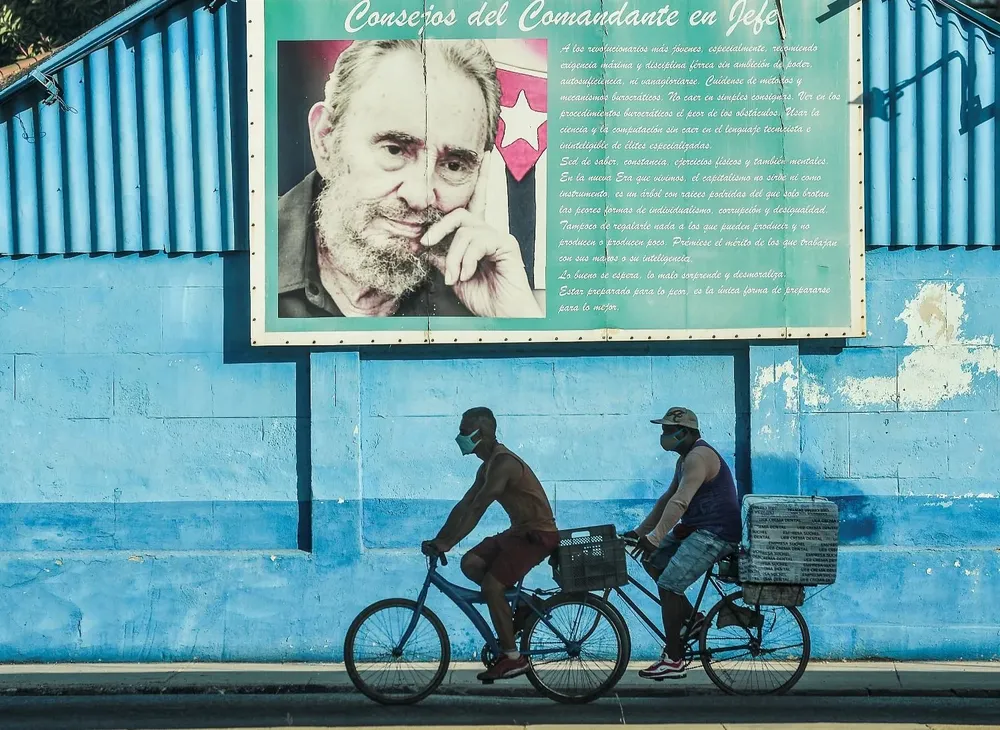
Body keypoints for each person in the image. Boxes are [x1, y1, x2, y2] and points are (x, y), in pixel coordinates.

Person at [278, 39, 541, 319]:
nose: (420, 196)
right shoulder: (254, 258)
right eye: (394, 150)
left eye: (453, 165)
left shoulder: (478, 292)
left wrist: (514, 319)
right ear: (325, 138)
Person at [421, 407, 559, 681]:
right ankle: (525, 605)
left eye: (463, 432)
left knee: (492, 587)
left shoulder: (504, 463)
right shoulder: (487, 466)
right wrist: (439, 538)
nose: (459, 437)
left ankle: (512, 658)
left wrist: (448, 543)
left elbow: (479, 507)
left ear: (480, 433)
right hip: (518, 532)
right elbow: (465, 504)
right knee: (471, 563)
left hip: (537, 535)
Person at [623, 407, 741, 680]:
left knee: (668, 585)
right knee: (652, 560)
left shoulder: (698, 457)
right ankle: (693, 619)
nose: (663, 435)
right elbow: (667, 498)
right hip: (696, 530)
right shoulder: (685, 459)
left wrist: (655, 538)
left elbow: (680, 502)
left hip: (716, 534)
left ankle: (674, 659)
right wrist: (640, 533)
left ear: (685, 432)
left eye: (668, 430)